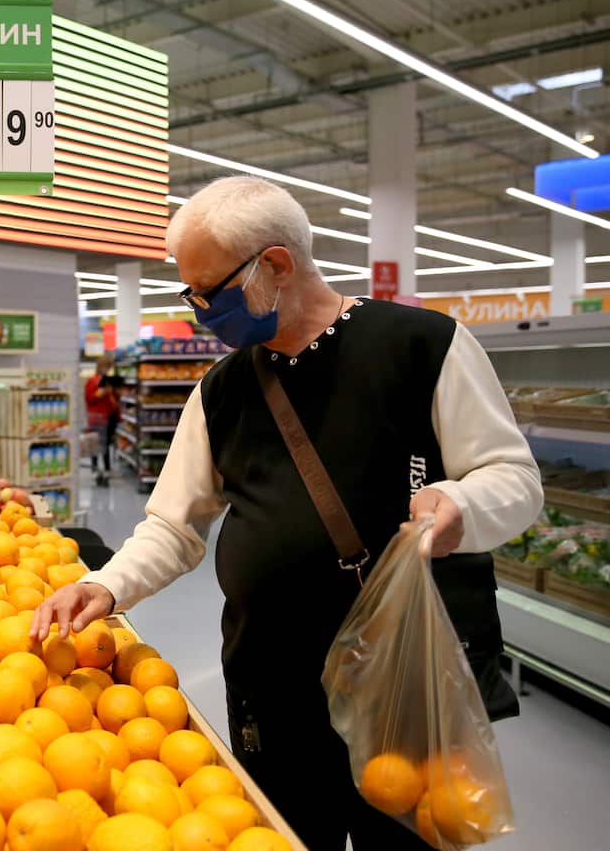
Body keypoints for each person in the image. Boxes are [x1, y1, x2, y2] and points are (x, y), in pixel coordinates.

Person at [32, 176, 542, 851]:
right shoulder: (222, 391)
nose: (198, 312)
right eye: (190, 295)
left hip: (404, 687)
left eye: (209, 292)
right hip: (273, 689)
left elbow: (515, 478)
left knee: (409, 837)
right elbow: (173, 527)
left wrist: (461, 506)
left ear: (275, 264)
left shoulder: (424, 347)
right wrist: (105, 584)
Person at [84, 354, 120, 486]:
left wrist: (114, 393)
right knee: (95, 443)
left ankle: (106, 469)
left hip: (107, 417)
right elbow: (89, 398)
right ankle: (95, 469)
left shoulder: (108, 381)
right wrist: (100, 394)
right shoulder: (92, 381)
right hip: (95, 417)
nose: (107, 369)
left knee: (105, 444)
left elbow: (114, 400)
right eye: (106, 367)